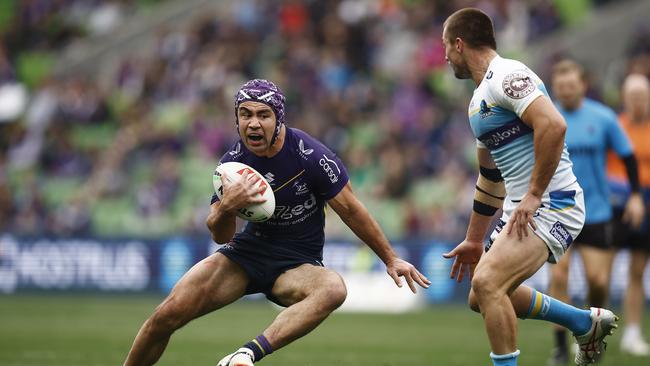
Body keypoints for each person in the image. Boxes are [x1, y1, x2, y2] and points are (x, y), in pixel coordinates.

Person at [122, 79, 430, 366]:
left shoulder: (310, 156)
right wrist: (226, 207)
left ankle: (245, 355)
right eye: (245, 114)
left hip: (297, 262)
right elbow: (221, 235)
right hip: (246, 255)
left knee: (334, 289)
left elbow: (351, 210)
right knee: (164, 316)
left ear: (278, 119)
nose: (253, 123)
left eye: (263, 115)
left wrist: (389, 258)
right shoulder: (233, 164)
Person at [440, 8, 618, 366]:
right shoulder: (478, 102)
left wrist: (535, 194)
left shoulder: (507, 75)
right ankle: (584, 323)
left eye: (445, 46)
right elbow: (490, 178)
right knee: (480, 295)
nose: (444, 56)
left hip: (554, 203)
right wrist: (475, 239)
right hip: (523, 209)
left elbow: (553, 125)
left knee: (490, 283)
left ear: (459, 44)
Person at [546, 60, 644, 365]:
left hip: (596, 211)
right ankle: (561, 346)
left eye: (571, 84)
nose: (566, 90)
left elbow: (628, 158)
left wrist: (636, 197)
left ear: (583, 85)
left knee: (598, 282)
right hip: (558, 209)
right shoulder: (545, 115)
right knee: (559, 277)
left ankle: (591, 336)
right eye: (560, 86)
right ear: (554, 87)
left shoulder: (603, 118)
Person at [608, 73, 650, 356]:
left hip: (647, 204)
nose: (637, 102)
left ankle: (632, 333)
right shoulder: (614, 127)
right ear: (624, 98)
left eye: (642, 97)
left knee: (637, 270)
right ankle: (593, 328)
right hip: (614, 205)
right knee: (601, 272)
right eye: (632, 97)